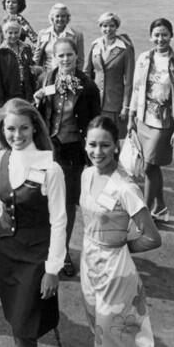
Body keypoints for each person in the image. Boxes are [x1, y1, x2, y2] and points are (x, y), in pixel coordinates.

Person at [81, 116, 161, 347]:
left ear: (116, 147)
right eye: (92, 144)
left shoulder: (125, 187)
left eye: (104, 145)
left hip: (115, 276)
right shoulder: (87, 175)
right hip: (90, 270)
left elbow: (152, 237)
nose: (97, 151)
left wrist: (119, 248)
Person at [0, 99, 66, 347]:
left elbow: (60, 220)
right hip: (6, 253)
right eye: (10, 128)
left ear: (35, 126)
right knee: (17, 324)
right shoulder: (1, 158)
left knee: (25, 330)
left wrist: (52, 269)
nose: (16, 134)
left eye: (23, 127)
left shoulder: (51, 168)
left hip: (35, 259)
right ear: (2, 130)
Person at [35, 37, 100, 276]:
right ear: (54, 57)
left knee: (68, 204)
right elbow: (39, 116)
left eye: (69, 55)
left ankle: (63, 253)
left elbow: (95, 122)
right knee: (44, 199)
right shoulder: (46, 79)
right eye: (60, 55)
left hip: (73, 149)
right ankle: (48, 247)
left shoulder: (89, 86)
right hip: (49, 149)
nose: (65, 59)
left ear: (76, 57)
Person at [127, 18, 174, 222]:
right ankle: (161, 207)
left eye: (164, 34)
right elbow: (136, 88)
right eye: (156, 34)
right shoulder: (144, 58)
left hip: (163, 123)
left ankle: (144, 214)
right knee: (152, 167)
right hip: (143, 119)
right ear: (150, 36)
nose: (160, 38)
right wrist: (131, 117)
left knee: (148, 167)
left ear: (171, 35)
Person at [84, 12, 135, 139]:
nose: (108, 29)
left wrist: (126, 106)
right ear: (100, 27)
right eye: (104, 26)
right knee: (96, 135)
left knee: (114, 138)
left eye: (111, 26)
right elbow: (86, 73)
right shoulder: (95, 45)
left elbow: (129, 80)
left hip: (114, 103)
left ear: (116, 27)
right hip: (96, 101)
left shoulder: (125, 48)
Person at [0, 17, 38, 109]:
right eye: (10, 33)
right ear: (4, 34)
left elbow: (31, 71)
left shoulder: (26, 48)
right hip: (9, 96)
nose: (13, 35)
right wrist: (0, 101)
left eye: (16, 32)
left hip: (27, 94)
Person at [34, 3, 84, 74]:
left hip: (69, 75)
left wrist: (77, 76)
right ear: (52, 18)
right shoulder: (43, 33)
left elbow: (80, 60)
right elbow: (37, 57)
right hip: (47, 75)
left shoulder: (76, 35)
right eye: (57, 16)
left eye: (63, 16)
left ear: (67, 18)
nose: (60, 19)